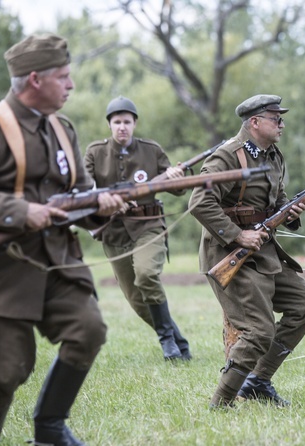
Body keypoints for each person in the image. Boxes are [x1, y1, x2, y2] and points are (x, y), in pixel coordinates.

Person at [0, 33, 125, 445]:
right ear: (35, 79)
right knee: (7, 374)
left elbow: (79, 196)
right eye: (64, 77)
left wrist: (100, 209)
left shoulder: (62, 129)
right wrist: (21, 211)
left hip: (52, 259)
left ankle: (49, 430)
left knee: (88, 328)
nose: (71, 85)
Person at [188, 94, 305, 408]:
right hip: (228, 253)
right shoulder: (228, 156)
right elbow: (199, 202)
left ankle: (258, 380)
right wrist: (237, 234)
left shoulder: (273, 156)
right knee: (259, 330)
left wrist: (292, 211)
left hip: (263, 251)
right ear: (255, 122)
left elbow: (277, 203)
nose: (282, 124)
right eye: (276, 118)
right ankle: (221, 402)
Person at [84, 96, 191, 361]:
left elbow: (177, 189)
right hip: (113, 232)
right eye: (117, 122)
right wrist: (105, 203)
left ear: (134, 124)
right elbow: (83, 190)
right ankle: (178, 343)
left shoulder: (151, 150)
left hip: (148, 225)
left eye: (127, 122)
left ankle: (167, 341)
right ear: (109, 125)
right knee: (136, 300)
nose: (122, 127)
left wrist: (178, 178)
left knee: (146, 275)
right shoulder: (95, 152)